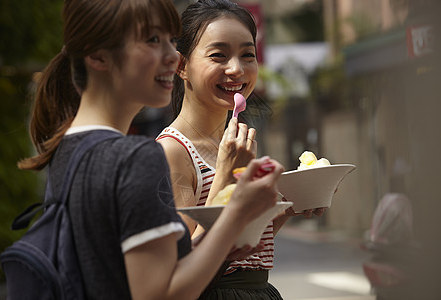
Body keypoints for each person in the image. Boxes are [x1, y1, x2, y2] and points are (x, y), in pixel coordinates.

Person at [17, 0, 285, 299]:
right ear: (97, 55)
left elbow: (158, 269)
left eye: (171, 41)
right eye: (152, 41)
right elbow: (163, 292)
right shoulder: (137, 157)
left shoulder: (70, 149)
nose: (173, 56)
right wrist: (234, 211)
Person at [157, 0, 325, 298]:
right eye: (218, 56)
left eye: (248, 55)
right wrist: (224, 177)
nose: (236, 69)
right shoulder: (173, 152)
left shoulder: (234, 145)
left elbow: (242, 252)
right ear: (181, 66)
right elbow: (179, 266)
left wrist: (289, 207)